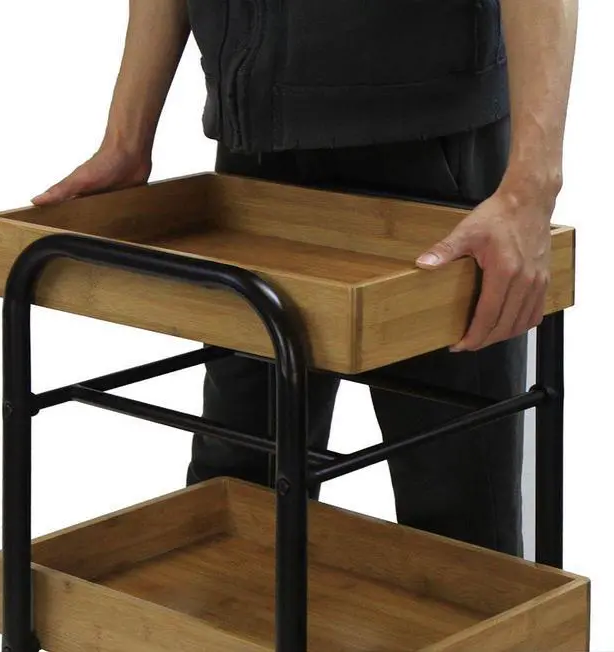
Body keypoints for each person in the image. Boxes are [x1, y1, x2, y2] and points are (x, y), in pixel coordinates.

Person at [32, 1, 578, 557]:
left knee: (458, 525)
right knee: (238, 491)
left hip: (429, 145)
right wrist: (126, 139)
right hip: (255, 156)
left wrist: (531, 188)